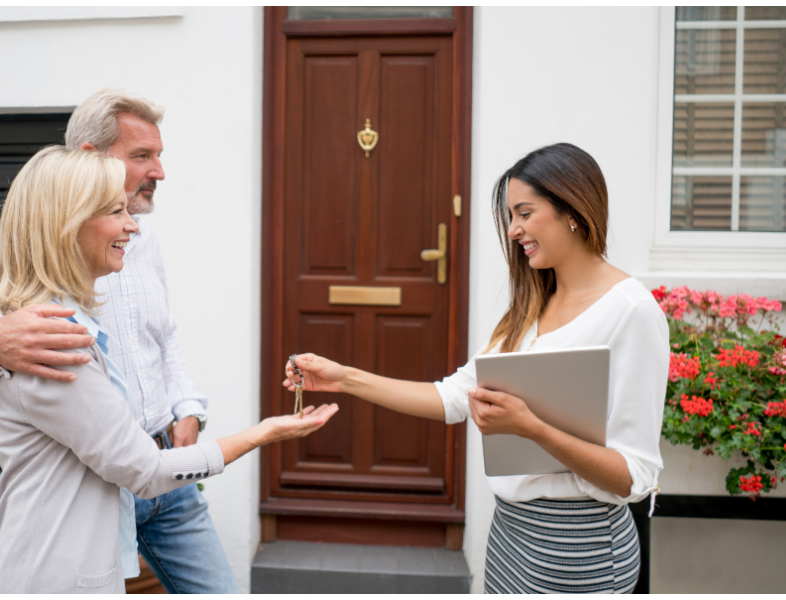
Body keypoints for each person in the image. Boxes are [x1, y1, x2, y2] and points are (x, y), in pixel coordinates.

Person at [283, 143, 669, 594]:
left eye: (524, 213)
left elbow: (634, 476)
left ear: (573, 210)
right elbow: (452, 397)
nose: (513, 230)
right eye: (510, 216)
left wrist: (532, 428)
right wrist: (344, 378)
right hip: (509, 536)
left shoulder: (632, 312)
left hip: (578, 549)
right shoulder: (531, 304)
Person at [0, 146, 338, 594]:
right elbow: (145, 471)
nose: (132, 224)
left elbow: (164, 335)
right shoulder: (52, 343)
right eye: (116, 212)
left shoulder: (65, 322)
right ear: (68, 225)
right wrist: (265, 433)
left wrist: (186, 406)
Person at [0, 89, 243, 593]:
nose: (159, 171)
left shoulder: (142, 239)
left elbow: (165, 338)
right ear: (89, 159)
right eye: (142, 156)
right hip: (99, 488)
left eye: (159, 155)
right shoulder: (22, 247)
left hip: (171, 475)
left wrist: (188, 407)